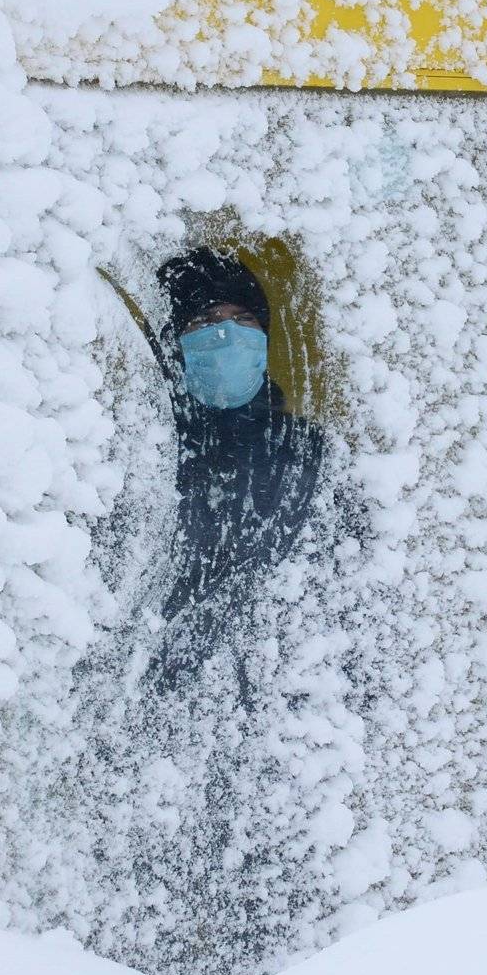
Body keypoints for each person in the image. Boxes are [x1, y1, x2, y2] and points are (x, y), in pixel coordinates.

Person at [150, 246, 324, 693]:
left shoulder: (309, 454)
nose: (226, 336)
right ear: (175, 344)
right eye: (204, 323)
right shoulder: (149, 454)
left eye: (243, 320)